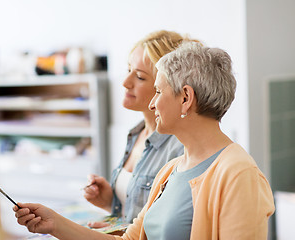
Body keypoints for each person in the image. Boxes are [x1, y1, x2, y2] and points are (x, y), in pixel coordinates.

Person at [14, 41, 275, 239]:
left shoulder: (238, 173)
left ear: (185, 98)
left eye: (159, 91)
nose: (152, 103)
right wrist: (55, 224)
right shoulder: (171, 170)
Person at [83, 30, 185, 226]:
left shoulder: (180, 149)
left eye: (139, 76)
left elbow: (169, 229)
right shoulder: (136, 133)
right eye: (128, 69)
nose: (125, 82)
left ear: (165, 86)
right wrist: (109, 202)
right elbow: (134, 211)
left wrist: (118, 232)